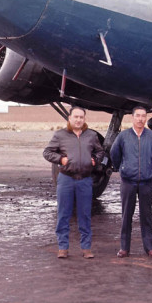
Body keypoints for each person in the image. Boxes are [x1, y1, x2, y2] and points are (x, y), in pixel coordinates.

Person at [43, 106, 104, 259]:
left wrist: (95, 160)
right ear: (69, 118)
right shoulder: (60, 135)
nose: (78, 120)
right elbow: (47, 152)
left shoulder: (91, 135)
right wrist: (60, 159)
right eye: (75, 117)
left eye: (81, 117)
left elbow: (100, 151)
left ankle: (86, 248)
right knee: (63, 214)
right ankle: (63, 247)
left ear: (84, 119)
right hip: (65, 179)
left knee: (85, 215)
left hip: (84, 180)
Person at [110, 106, 152, 258]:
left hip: (146, 182)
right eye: (138, 116)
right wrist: (123, 168)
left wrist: (151, 168)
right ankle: (124, 248)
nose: (140, 119)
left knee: (146, 215)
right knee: (126, 215)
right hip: (128, 182)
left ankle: (150, 248)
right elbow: (115, 154)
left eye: (143, 116)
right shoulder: (123, 136)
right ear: (132, 117)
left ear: (146, 118)